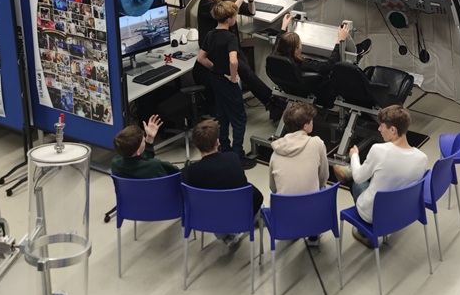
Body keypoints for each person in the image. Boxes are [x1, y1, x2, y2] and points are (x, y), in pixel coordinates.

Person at [339, 104, 426, 247]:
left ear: (393, 130)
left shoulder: (379, 150)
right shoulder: (422, 158)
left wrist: (354, 156)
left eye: (382, 126)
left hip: (373, 215)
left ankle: (364, 232)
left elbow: (359, 178)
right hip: (402, 212)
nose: (379, 129)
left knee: (355, 179)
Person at [182, 118, 264, 247]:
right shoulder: (232, 158)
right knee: (251, 193)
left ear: (196, 145)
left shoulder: (191, 171)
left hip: (210, 221)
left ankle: (226, 235)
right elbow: (257, 196)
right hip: (240, 216)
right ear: (217, 142)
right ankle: (251, 221)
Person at [196, 0, 273, 106]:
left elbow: (251, 11)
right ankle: (271, 101)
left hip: (231, 44)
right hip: (216, 47)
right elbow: (226, 13)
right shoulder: (207, 1)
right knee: (246, 72)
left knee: (248, 73)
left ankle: (270, 101)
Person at [197, 0, 256, 169]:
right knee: (239, 119)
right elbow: (233, 60)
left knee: (222, 117)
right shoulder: (230, 37)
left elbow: (201, 58)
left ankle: (224, 147)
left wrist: (215, 68)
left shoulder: (210, 34)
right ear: (230, 19)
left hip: (215, 79)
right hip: (227, 82)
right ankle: (237, 155)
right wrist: (232, 77)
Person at [269, 102, 330, 246]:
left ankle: (293, 230)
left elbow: (273, 187)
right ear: (305, 125)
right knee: (322, 187)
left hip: (285, 211)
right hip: (311, 208)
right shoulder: (317, 143)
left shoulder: (276, 152)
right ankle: (313, 236)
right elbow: (323, 176)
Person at [273, 13, 350, 108]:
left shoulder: (277, 57)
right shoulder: (302, 64)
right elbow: (328, 66)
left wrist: (283, 26)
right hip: (319, 94)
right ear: (297, 49)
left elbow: (277, 44)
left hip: (292, 90)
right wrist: (339, 40)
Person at [110, 115, 179, 178]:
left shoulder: (115, 164)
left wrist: (150, 138)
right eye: (143, 141)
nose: (145, 140)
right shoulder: (155, 166)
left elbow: (141, 160)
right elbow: (177, 173)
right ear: (138, 151)